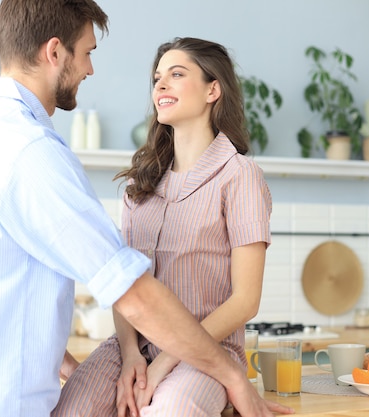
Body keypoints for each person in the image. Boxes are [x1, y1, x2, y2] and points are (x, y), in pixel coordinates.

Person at [0, 0, 293, 414]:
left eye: (175, 75)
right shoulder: (34, 153)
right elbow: (130, 290)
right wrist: (226, 375)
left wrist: (57, 355)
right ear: (55, 53)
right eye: (87, 53)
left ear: (213, 89)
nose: (90, 69)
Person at [53, 37, 284, 417]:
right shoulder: (139, 186)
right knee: (72, 410)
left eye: (177, 75)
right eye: (158, 77)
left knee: (170, 410)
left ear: (213, 89)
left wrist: (166, 362)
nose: (160, 85)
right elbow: (123, 282)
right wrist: (130, 355)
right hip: (131, 344)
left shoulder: (240, 176)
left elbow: (246, 301)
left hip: (207, 353)